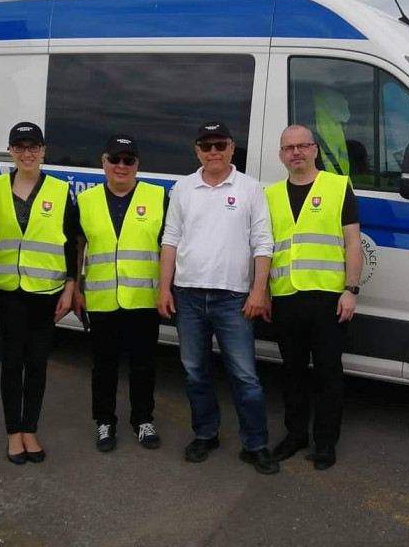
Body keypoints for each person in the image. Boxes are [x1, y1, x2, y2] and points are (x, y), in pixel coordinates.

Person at [157, 121, 279, 475]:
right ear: (197, 151)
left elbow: (263, 242)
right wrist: (164, 288)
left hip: (234, 299)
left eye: (220, 145)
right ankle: (205, 434)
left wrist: (259, 290)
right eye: (206, 146)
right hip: (188, 296)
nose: (213, 152)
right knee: (195, 373)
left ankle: (255, 445)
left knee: (245, 376)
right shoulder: (183, 188)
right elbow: (170, 240)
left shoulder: (251, 189)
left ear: (231, 148)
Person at [266, 124, 362, 470]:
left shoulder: (338, 187)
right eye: (289, 148)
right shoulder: (271, 195)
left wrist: (351, 290)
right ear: (281, 156)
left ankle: (325, 442)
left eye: (303, 146)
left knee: (327, 373)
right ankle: (295, 436)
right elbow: (264, 248)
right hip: (286, 296)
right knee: (291, 373)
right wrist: (262, 292)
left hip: (328, 299)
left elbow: (353, 242)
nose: (296, 153)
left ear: (315, 150)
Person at [0, 122, 78, 465]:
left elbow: (71, 243)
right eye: (19, 147)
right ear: (10, 151)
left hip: (46, 291)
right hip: (6, 291)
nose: (27, 154)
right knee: (12, 362)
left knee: (37, 362)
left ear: (43, 151)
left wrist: (70, 286)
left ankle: (30, 429)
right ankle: (13, 434)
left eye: (33, 147)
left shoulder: (59, 190)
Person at [73, 135, 165, 453]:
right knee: (104, 366)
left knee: (143, 364)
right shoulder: (85, 201)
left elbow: (169, 249)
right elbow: (77, 246)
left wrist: (168, 289)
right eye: (115, 159)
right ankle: (104, 422)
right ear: (104, 161)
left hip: (143, 298)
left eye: (128, 160)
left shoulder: (158, 197)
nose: (121, 166)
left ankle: (142, 420)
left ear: (137, 164)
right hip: (101, 299)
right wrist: (76, 287)